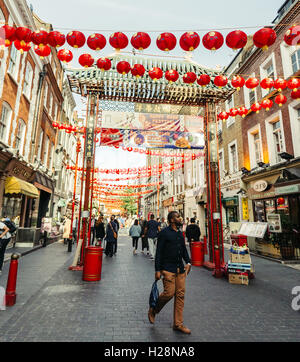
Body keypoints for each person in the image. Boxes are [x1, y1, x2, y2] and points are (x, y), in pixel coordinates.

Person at [148, 211, 192, 334]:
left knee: (180, 296)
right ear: (172, 220)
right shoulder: (164, 233)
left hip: (180, 269)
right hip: (167, 269)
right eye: (178, 217)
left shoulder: (180, 234)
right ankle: (154, 309)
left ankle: (178, 324)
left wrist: (188, 262)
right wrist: (157, 270)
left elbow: (183, 249)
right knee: (169, 293)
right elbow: (159, 253)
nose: (180, 218)